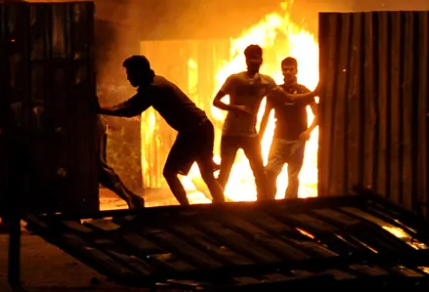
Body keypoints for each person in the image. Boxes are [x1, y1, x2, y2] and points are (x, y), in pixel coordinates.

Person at [96, 55, 225, 206]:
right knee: (206, 174)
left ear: (140, 71)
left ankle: (188, 208)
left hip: (194, 131)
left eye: (130, 73)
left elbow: (129, 109)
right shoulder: (155, 83)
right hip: (200, 128)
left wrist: (99, 109)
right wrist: (103, 109)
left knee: (170, 173)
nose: (128, 77)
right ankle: (219, 207)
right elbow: (129, 105)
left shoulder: (154, 88)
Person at [213, 44, 318, 199]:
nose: (254, 62)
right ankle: (218, 205)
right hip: (233, 134)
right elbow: (216, 101)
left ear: (261, 60)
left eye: (257, 58)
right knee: (227, 174)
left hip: (253, 135)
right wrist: (235, 108)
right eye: (251, 59)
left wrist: (313, 95)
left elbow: (289, 98)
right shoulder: (235, 79)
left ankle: (266, 205)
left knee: (265, 175)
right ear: (246, 60)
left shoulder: (267, 82)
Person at [258, 57, 318, 200]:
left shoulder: (304, 91)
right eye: (285, 69)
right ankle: (269, 204)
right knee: (270, 173)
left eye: (291, 69)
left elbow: (318, 115)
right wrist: (259, 137)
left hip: (298, 141)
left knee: (293, 177)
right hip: (279, 139)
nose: (288, 72)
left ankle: (289, 206)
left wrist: (308, 131)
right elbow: (265, 116)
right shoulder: (275, 92)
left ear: (296, 70)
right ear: (282, 71)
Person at [96, 115, 145, 209]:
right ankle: (133, 199)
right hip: (90, 125)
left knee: (99, 167)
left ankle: (132, 199)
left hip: (89, 127)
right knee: (99, 168)